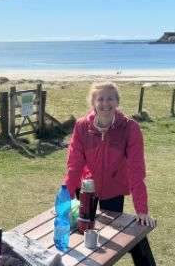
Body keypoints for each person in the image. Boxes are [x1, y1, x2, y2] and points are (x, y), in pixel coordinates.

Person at [64, 82, 156, 227]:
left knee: (111, 231)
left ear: (117, 101)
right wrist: (65, 199)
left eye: (110, 98)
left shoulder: (130, 128)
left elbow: (136, 170)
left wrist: (142, 210)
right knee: (82, 230)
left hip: (114, 189)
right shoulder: (81, 126)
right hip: (87, 188)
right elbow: (74, 166)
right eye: (100, 99)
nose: (105, 103)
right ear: (93, 102)